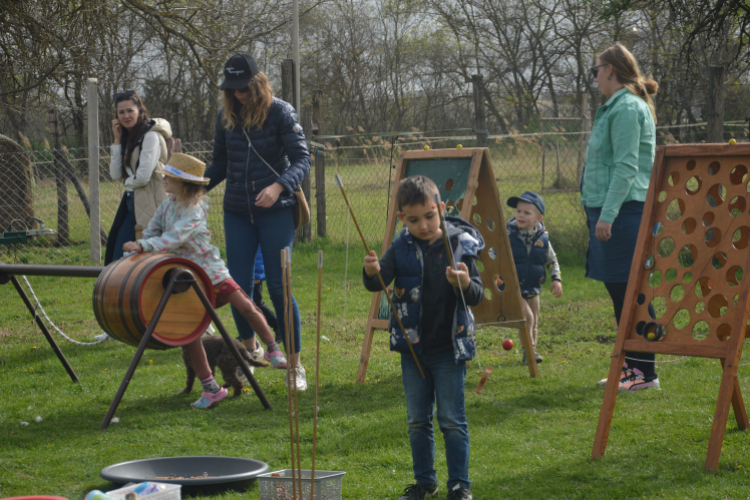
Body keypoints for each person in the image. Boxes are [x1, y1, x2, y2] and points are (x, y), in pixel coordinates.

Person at [122, 153, 287, 408]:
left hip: (209, 270)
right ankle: (210, 387)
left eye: (169, 176)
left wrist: (145, 244)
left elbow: (177, 236)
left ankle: (272, 348)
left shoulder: (196, 207)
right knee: (190, 334)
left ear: (184, 183)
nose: (164, 179)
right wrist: (140, 246)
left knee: (245, 305)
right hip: (185, 277)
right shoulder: (167, 205)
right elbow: (154, 229)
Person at [362, 176, 484, 500]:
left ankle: (459, 485)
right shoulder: (400, 247)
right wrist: (372, 271)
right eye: (414, 220)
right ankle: (424, 483)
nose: (424, 225)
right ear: (402, 218)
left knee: (451, 419)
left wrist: (463, 282)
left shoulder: (459, 244)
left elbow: (476, 295)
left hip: (449, 348)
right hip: (413, 350)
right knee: (417, 420)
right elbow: (378, 285)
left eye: (430, 216)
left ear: (441, 209)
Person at [204, 53, 311, 391]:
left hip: (275, 211)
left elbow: (302, 159)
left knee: (280, 287)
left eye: (243, 89)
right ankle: (249, 351)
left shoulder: (281, 112)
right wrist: (190, 186)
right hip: (237, 211)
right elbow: (220, 165)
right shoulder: (225, 117)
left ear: (258, 83)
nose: (238, 95)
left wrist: (279, 185)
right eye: (232, 90)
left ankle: (294, 365)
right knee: (237, 286)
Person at [582, 43, 660, 392]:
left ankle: (645, 372)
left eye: (596, 69)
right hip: (612, 209)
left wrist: (607, 216)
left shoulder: (627, 108)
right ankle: (633, 368)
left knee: (631, 293)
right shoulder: (615, 107)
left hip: (625, 212)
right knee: (622, 293)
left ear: (610, 69)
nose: (595, 75)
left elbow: (627, 167)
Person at [96, 90, 172, 342]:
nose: (126, 115)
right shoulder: (128, 137)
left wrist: (128, 182)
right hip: (132, 203)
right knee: (118, 259)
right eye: (121, 112)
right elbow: (115, 173)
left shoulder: (150, 136)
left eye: (130, 110)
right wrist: (117, 139)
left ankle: (198, 323)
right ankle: (115, 326)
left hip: (152, 204)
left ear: (140, 110)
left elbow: (142, 176)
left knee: (161, 264)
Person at [506, 191, 562, 363]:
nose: (520, 215)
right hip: (514, 287)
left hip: (534, 286)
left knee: (534, 321)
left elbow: (551, 260)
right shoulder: (508, 235)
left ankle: (529, 353)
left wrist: (556, 278)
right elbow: (495, 253)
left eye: (527, 212)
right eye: (518, 211)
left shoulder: (543, 238)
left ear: (538, 218)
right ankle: (529, 352)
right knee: (527, 318)